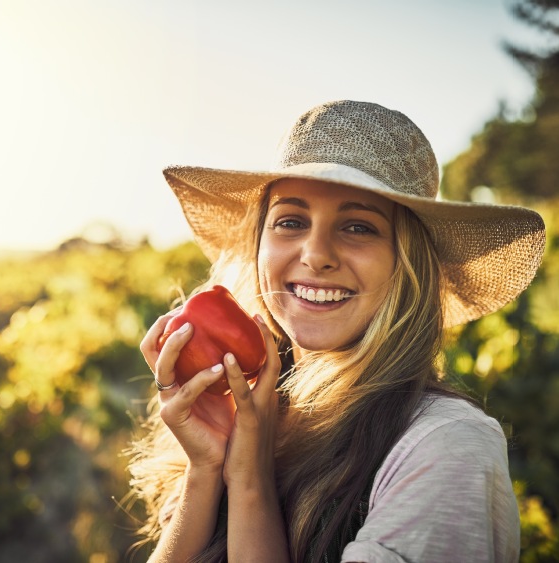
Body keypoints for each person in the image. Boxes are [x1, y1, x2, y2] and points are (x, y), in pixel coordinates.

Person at [127, 100, 546, 562]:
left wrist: (249, 482)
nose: (316, 254)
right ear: (259, 244)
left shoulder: (445, 447)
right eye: (290, 221)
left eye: (358, 227)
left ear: (407, 263)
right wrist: (205, 469)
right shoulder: (246, 406)